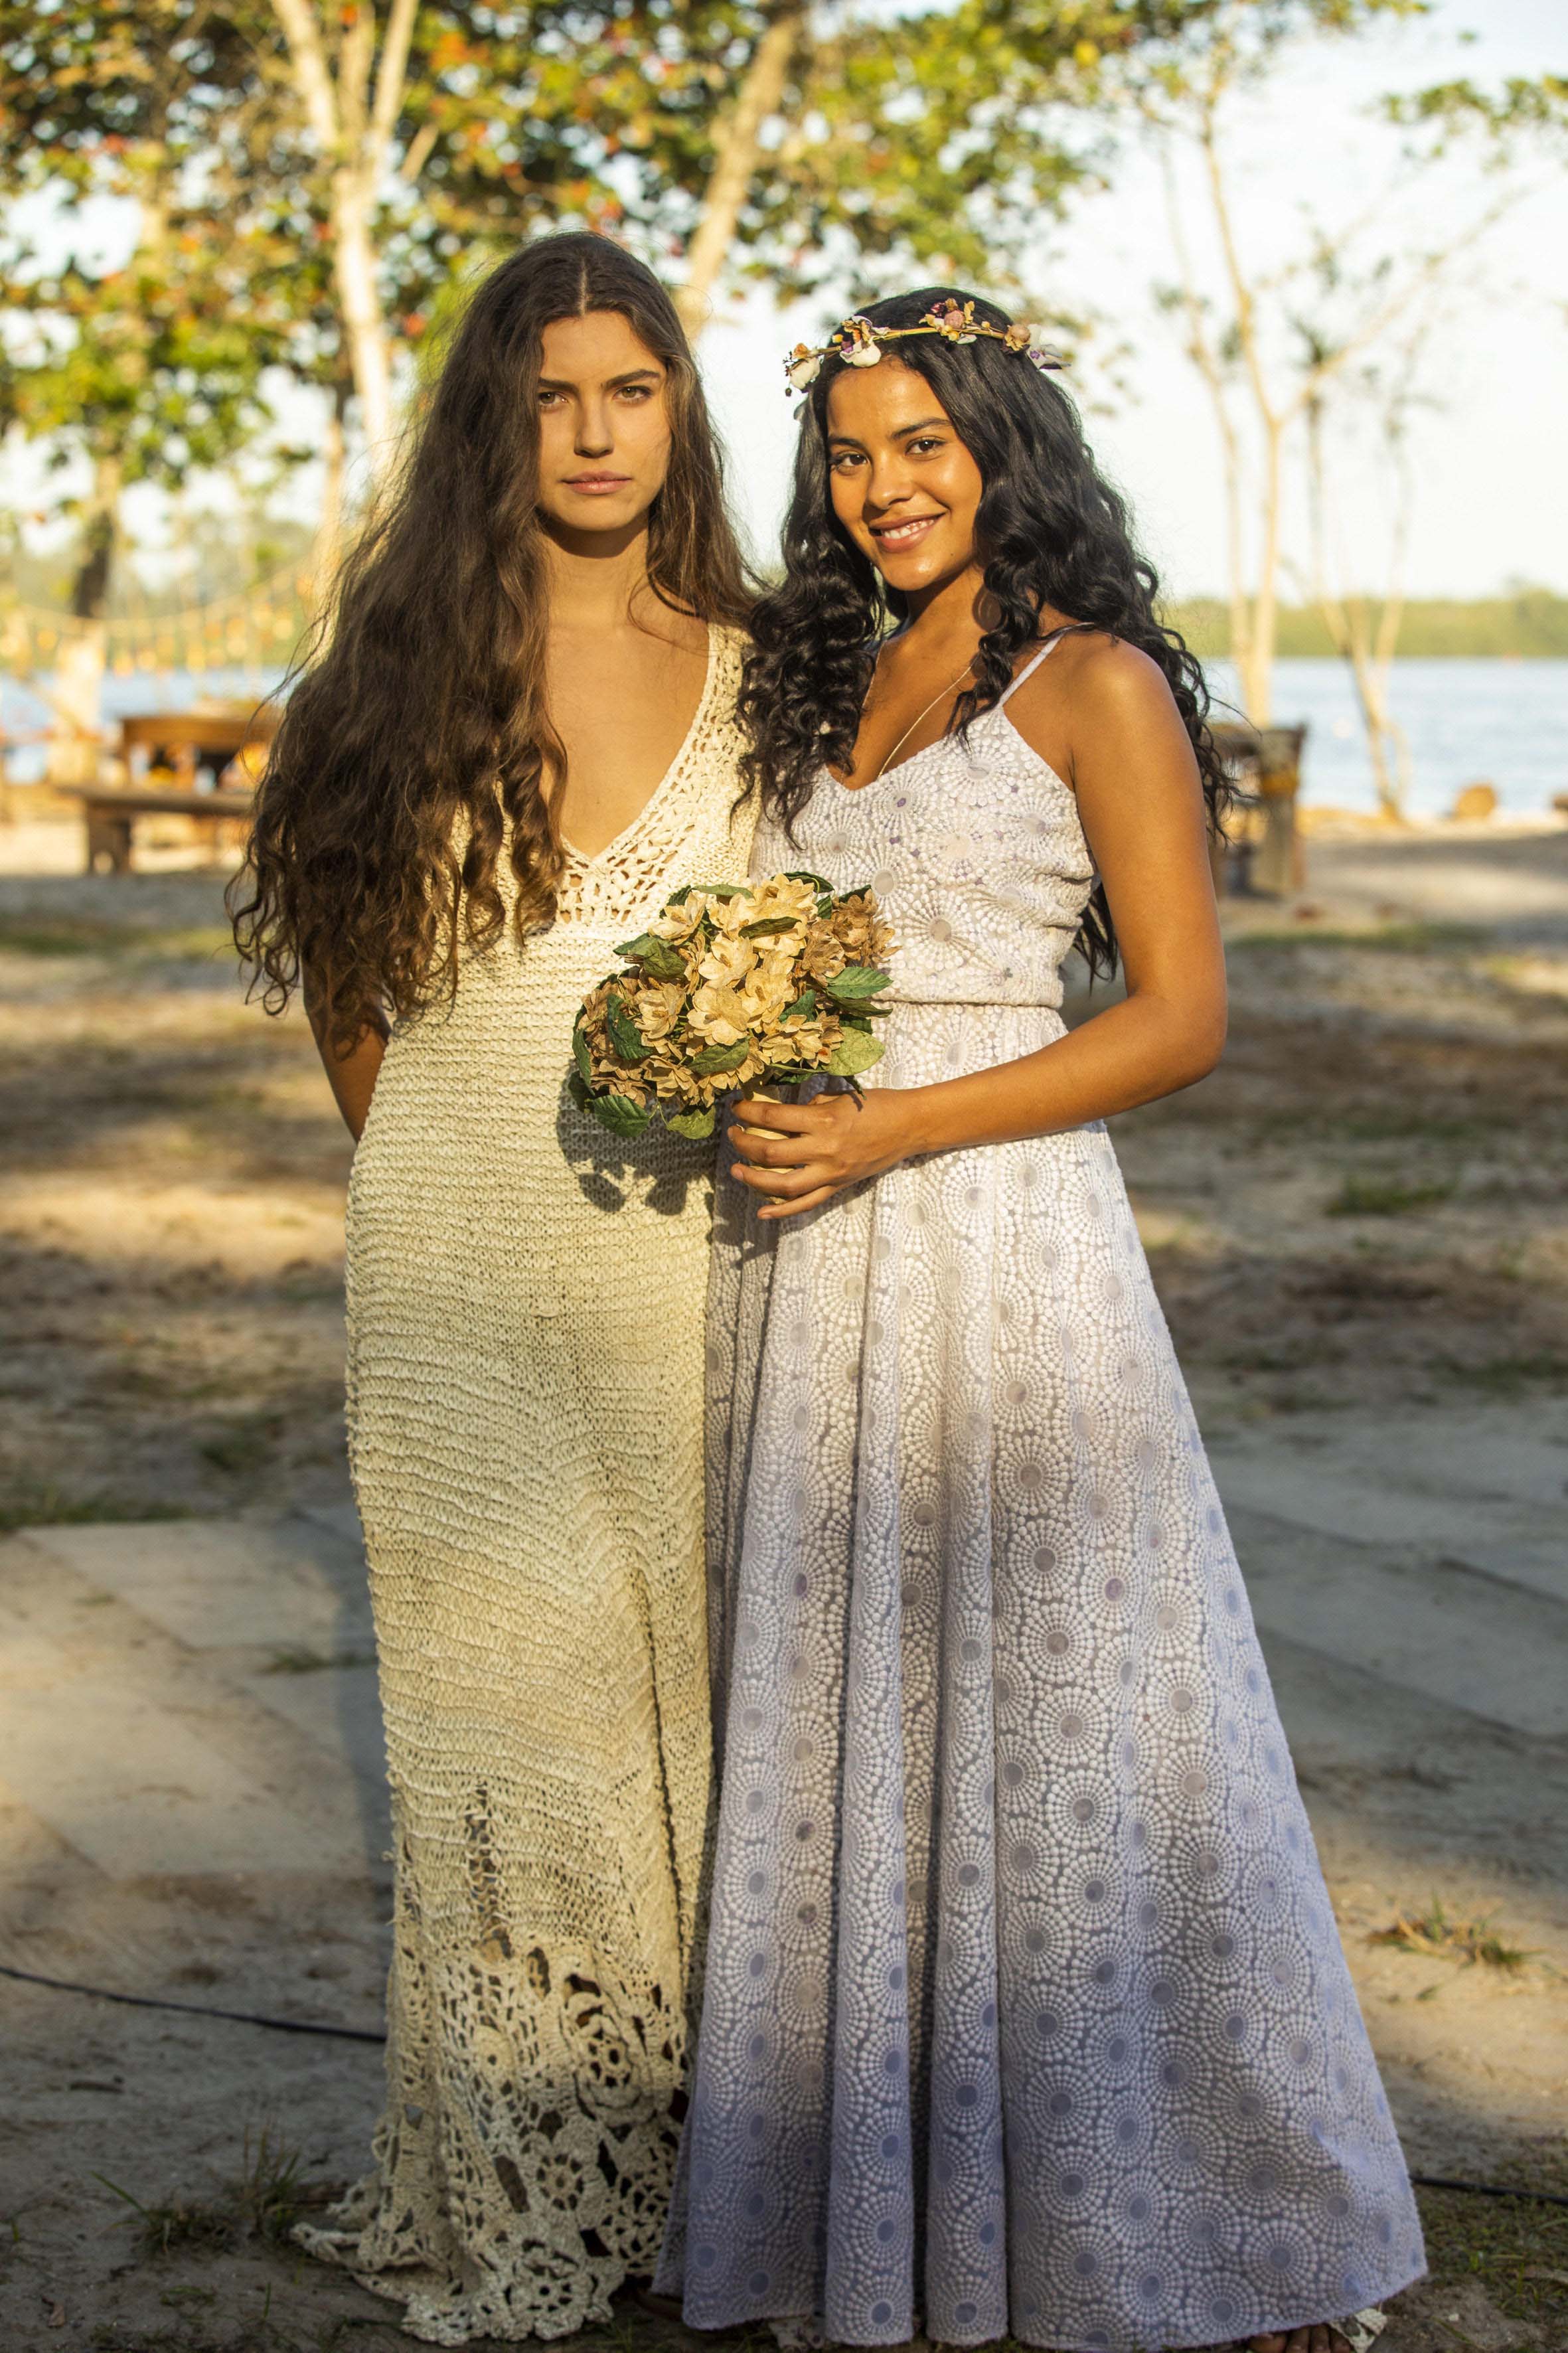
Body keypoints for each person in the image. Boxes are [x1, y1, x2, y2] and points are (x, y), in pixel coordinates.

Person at [657, 290, 1424, 2353]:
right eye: (849, 451)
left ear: (1007, 447)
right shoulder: (822, 678)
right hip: (810, 1252)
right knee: (852, 1700)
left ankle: (1215, 2211)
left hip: (997, 1232)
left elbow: (1178, 1018)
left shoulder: (1089, 685)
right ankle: (880, 2208)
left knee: (1075, 1706)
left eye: (924, 444)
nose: (886, 487)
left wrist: (898, 1119)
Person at [230, 232, 755, 2344]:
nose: (594, 430)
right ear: (490, 422)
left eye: (628, 389)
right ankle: (544, 2175)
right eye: (549, 395)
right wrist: (453, 1179)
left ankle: (727, 2184)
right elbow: (359, 1017)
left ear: (675, 410)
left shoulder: (762, 662)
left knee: (717, 1724)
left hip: (706, 1268)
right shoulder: (388, 686)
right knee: (506, 1734)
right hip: (454, 1265)